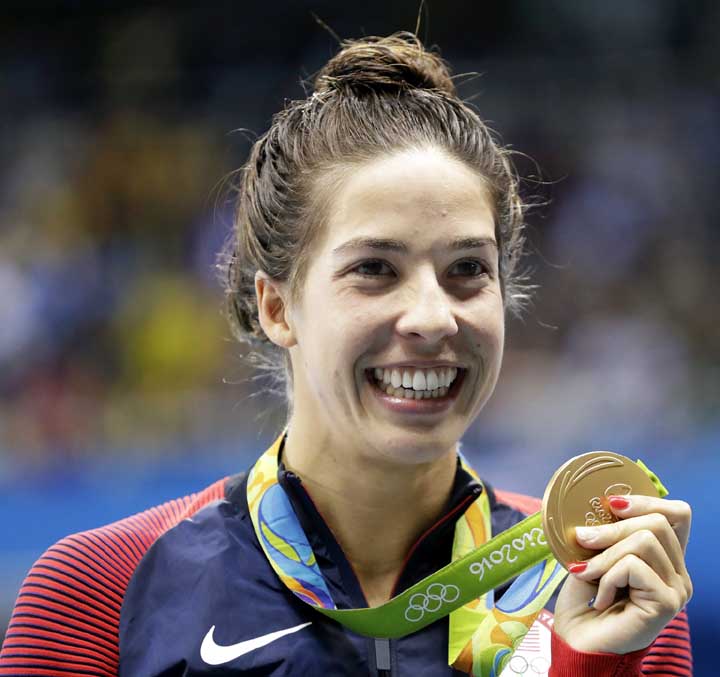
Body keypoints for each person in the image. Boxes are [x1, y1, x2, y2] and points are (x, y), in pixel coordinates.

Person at [0, 32, 693, 677]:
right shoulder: (99, 591)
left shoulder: (605, 586)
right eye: (375, 269)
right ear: (277, 306)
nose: (432, 316)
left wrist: (588, 663)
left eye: (466, 270)